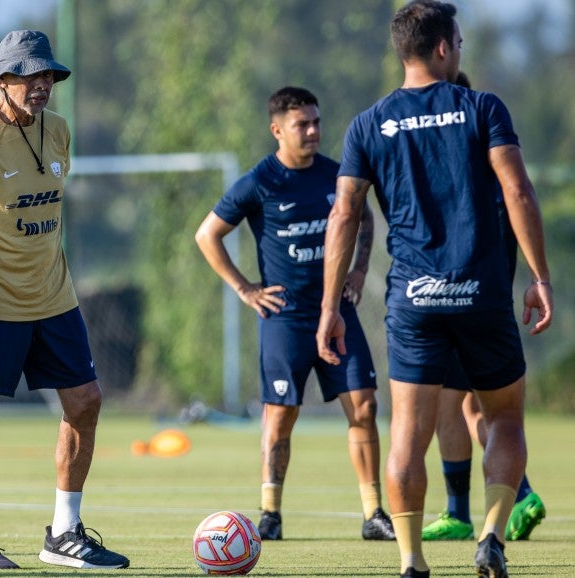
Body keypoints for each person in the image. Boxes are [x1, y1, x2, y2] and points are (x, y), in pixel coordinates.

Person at [316, 2, 553, 577]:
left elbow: (344, 214)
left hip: (414, 300)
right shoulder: (481, 107)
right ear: (443, 47)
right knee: (503, 420)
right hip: (483, 294)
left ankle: (411, 561)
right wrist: (540, 277)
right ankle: (491, 534)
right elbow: (518, 192)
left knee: (407, 437)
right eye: (460, 42)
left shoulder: (369, 124)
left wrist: (329, 307)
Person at [0, 29, 129, 570]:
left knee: (86, 402)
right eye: (30, 75)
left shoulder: (59, 131)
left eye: (48, 75)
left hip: (54, 297)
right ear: (2, 82)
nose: (42, 84)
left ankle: (65, 534)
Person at [195, 86, 395, 543]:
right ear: (277, 130)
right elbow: (207, 235)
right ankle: (270, 512)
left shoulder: (336, 174)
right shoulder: (259, 181)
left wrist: (360, 269)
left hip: (338, 313)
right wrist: (245, 288)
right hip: (285, 318)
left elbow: (363, 218)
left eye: (316, 122)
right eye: (302, 124)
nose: (312, 131)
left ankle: (373, 514)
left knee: (364, 406)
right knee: (281, 415)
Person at [423, 72, 546, 544]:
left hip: (456, 299)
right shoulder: (495, 170)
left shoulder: (462, 182)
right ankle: (512, 498)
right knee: (476, 406)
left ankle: (486, 504)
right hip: (491, 299)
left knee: (447, 404)